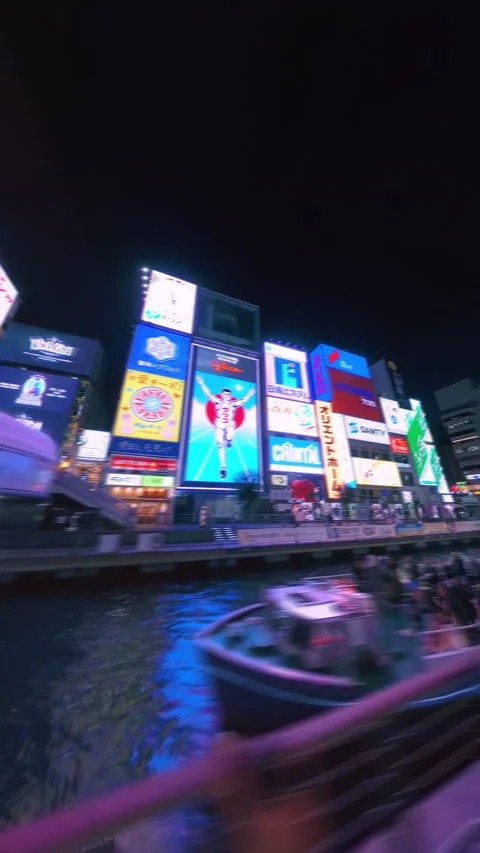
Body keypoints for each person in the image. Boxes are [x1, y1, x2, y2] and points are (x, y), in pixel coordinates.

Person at [196, 376, 255, 479]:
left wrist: (249, 394)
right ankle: (223, 467)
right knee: (220, 445)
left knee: (230, 429)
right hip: (219, 424)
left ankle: (229, 440)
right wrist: (201, 383)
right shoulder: (218, 402)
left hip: (229, 424)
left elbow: (243, 401)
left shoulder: (233, 404)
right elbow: (208, 394)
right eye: (224, 394)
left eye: (228, 395)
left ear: (230, 396)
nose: (226, 396)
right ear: (222, 394)